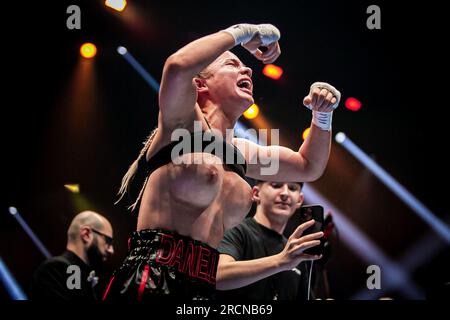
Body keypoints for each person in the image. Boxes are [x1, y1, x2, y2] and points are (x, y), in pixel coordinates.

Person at [102, 23, 341, 301]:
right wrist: (245, 32)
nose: (248, 69)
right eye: (232, 64)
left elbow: (308, 166)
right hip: (153, 277)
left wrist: (322, 115)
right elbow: (178, 66)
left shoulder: (243, 153)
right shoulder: (183, 125)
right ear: (201, 84)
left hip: (204, 291)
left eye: (245, 66)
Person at [215, 180, 322, 300]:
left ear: (299, 200)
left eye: (292, 188)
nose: (285, 193)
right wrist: (280, 261)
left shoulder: (295, 250)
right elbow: (217, 276)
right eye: (276, 185)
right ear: (256, 193)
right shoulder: (236, 230)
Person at [31, 211, 114, 300]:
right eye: (108, 241)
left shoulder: (81, 274)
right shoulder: (58, 268)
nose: (111, 250)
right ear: (86, 234)